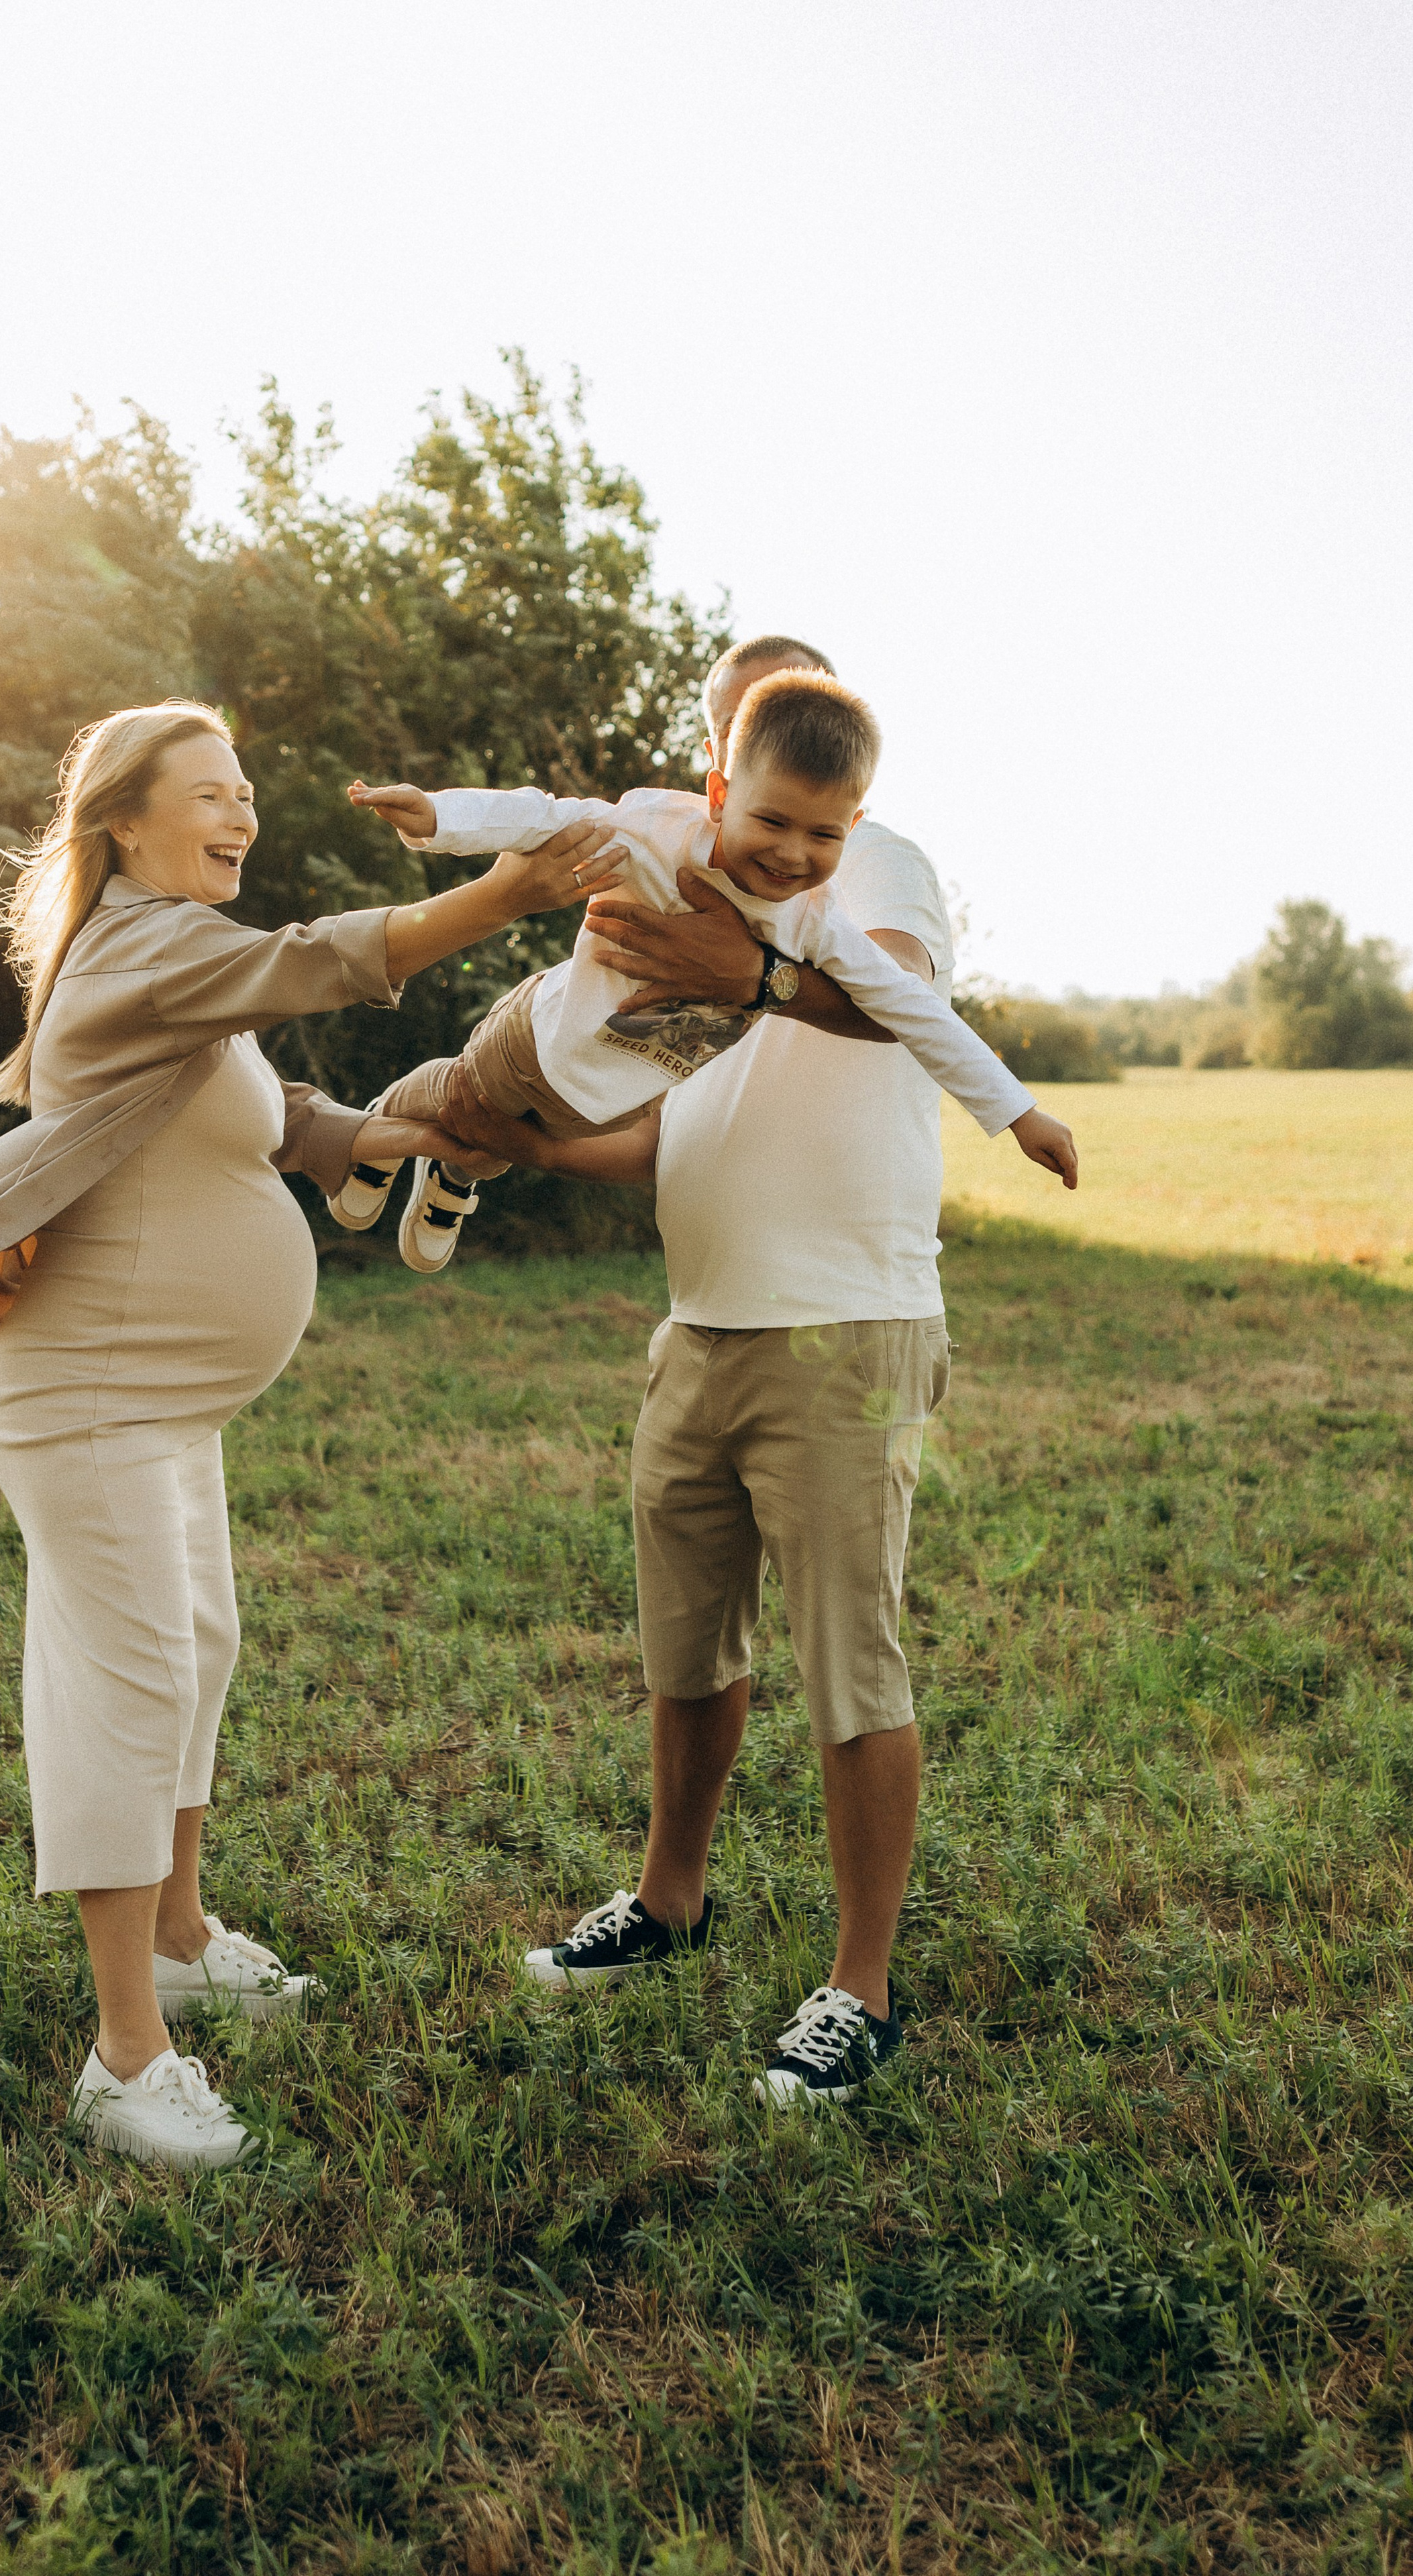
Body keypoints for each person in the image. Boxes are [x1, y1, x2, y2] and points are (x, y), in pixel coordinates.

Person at [0, 700, 619, 2169]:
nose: (242, 813)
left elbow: (252, 1106)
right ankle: (124, 2056)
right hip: (88, 1394)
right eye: (210, 792)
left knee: (195, 1650)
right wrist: (496, 896)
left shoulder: (168, 959)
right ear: (122, 824)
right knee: (132, 1681)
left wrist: (357, 1138)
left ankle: (185, 1934)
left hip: (159, 1394)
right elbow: (308, 965)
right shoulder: (140, 945)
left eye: (248, 791)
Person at [437, 635, 1079, 2111]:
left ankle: (858, 1988)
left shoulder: (867, 866)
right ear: (716, 752)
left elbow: (898, 1003)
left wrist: (762, 971)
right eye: (738, 743)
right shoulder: (705, 879)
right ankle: (668, 1903)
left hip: (842, 1325)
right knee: (685, 1647)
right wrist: (528, 1147)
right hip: (700, 1322)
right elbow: (677, 1125)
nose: (783, 832)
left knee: (847, 1659)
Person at [335, 670, 1071, 1271]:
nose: (791, 855)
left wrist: (1018, 1113)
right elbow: (545, 816)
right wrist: (438, 819)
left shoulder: (818, 921)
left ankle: (455, 1173)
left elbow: (912, 1008)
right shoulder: (657, 831)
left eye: (822, 835)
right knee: (464, 1097)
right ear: (719, 795)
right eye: (772, 822)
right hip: (542, 1036)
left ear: (853, 827)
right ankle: (377, 1127)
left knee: (488, 1141)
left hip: (613, 1091)